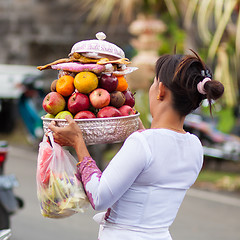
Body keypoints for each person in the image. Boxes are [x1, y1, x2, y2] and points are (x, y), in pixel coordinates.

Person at [48, 50, 224, 240]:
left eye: (154, 83)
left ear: (161, 90)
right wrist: (142, 134)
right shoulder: (195, 146)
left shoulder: (143, 143)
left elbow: (99, 197)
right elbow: (159, 160)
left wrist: (78, 143)